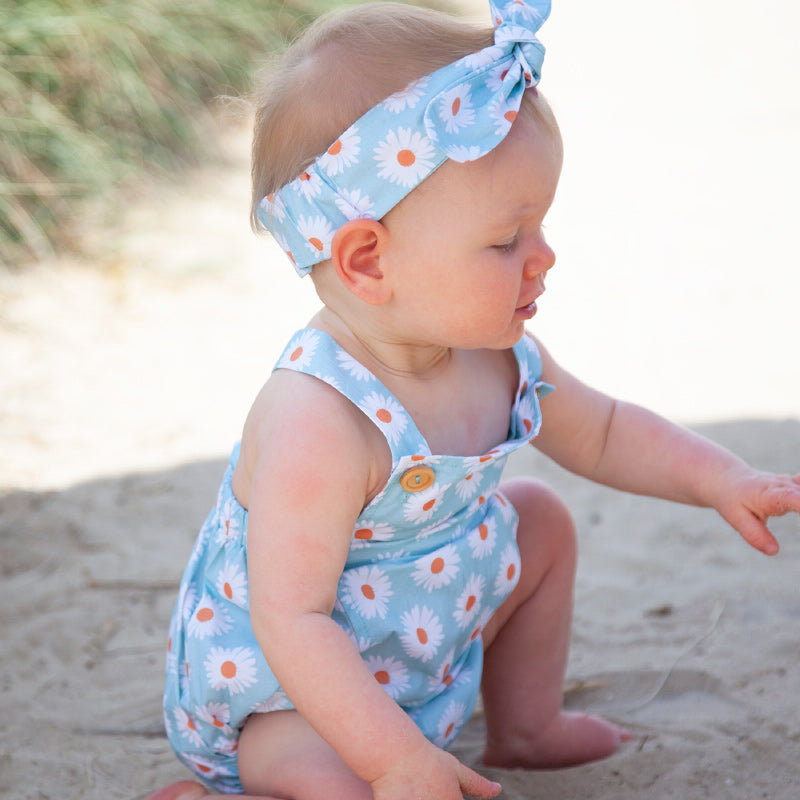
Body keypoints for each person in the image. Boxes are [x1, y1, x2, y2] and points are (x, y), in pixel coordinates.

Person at [148, 1, 800, 798]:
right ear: (367, 263)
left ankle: (527, 727)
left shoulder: (496, 356)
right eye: (505, 240)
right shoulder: (318, 419)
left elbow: (600, 431)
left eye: (542, 226)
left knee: (543, 521)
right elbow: (294, 622)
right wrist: (394, 763)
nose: (545, 257)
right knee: (322, 773)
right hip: (297, 699)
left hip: (434, 637)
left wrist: (720, 479)